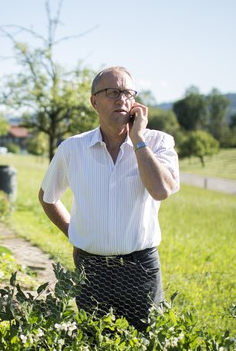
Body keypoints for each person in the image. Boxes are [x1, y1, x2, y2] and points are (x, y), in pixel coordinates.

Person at [38, 66, 180, 331]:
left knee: (146, 339)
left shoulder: (158, 142)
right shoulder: (73, 148)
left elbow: (161, 190)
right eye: (112, 92)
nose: (121, 99)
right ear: (94, 101)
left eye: (127, 92)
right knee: (94, 340)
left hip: (141, 268)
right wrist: (73, 232)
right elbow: (47, 196)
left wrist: (138, 139)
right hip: (91, 268)